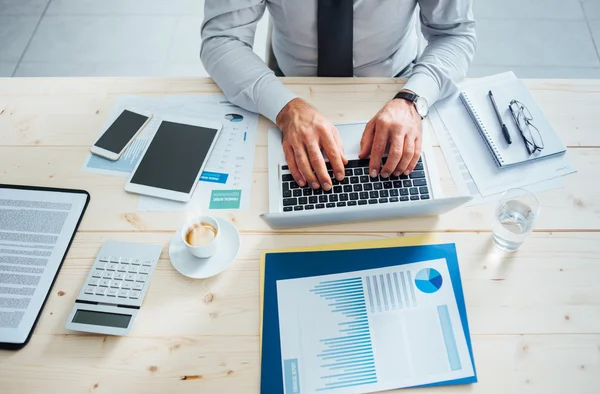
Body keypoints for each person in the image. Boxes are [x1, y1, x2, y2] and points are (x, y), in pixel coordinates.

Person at [201, 0, 476, 191]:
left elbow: (455, 33)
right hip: (288, 94)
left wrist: (413, 100)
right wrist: (284, 108)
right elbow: (222, 38)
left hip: (397, 92)